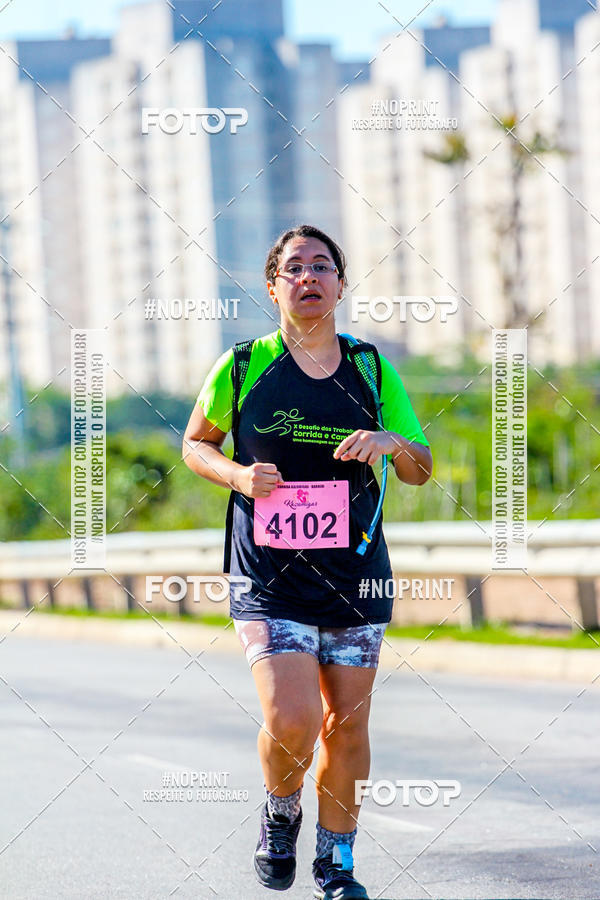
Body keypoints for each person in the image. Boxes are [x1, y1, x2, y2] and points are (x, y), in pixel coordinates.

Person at [182, 224, 432, 900]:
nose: (309, 277)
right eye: (294, 267)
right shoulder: (243, 365)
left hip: (355, 576)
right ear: (274, 287)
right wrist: (238, 476)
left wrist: (390, 441)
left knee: (347, 726)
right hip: (269, 575)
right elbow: (195, 445)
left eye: (322, 265)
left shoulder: (371, 368)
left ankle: (336, 863)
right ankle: (280, 810)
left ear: (341, 285)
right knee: (292, 719)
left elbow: (421, 466)